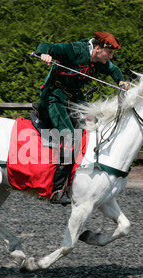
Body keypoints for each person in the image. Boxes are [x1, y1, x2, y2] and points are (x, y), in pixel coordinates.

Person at [35, 32, 129, 205]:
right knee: (70, 137)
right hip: (54, 96)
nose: (111, 57)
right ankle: (57, 190)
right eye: (109, 53)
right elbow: (46, 45)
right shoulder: (74, 50)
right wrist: (44, 54)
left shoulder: (102, 62)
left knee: (94, 129)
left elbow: (113, 70)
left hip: (75, 98)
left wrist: (121, 81)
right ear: (98, 49)